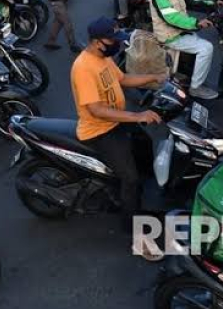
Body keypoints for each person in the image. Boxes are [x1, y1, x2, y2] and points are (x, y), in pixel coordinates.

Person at [71, 16, 165, 229]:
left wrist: (153, 77)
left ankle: (143, 198)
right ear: (97, 42)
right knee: (130, 178)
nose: (118, 44)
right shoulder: (83, 68)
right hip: (99, 130)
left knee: (146, 145)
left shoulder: (103, 58)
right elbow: (96, 110)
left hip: (115, 120)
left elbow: (122, 79)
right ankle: (133, 230)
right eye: (113, 40)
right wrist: (137, 116)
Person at [149, 0, 219, 99]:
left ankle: (187, 75)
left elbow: (192, 0)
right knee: (206, 48)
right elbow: (172, 18)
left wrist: (212, 5)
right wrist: (196, 23)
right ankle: (195, 87)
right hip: (169, 36)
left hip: (180, 31)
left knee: (199, 42)